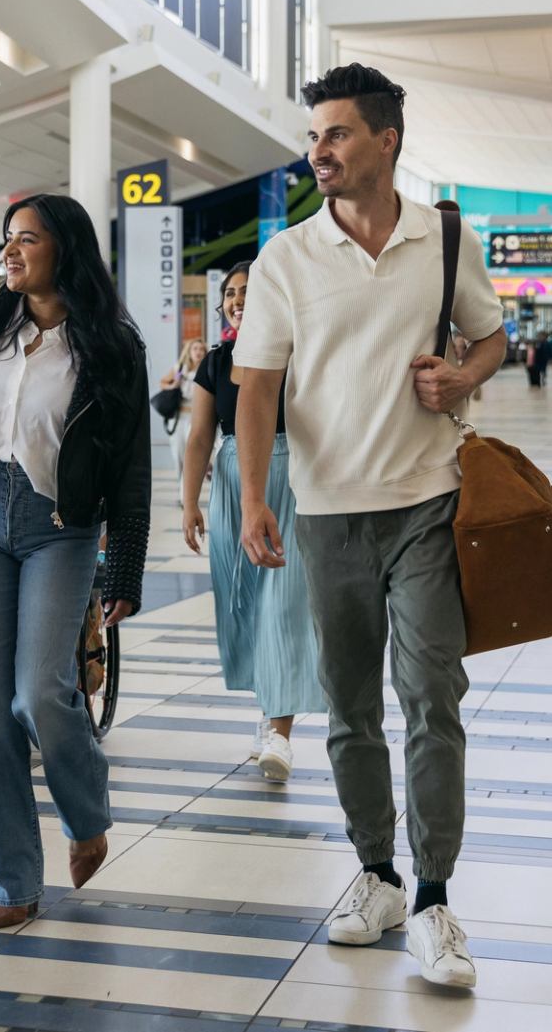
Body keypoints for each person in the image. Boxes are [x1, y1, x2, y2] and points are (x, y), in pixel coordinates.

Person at [233, 63, 504, 989]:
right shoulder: (285, 259)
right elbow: (258, 386)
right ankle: (376, 874)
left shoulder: (446, 235)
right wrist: (255, 500)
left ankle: (433, 897)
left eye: (338, 134)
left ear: (387, 140)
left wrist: (466, 377)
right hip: (328, 513)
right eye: (315, 137)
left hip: (429, 502)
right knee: (350, 709)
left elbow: (492, 334)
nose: (320, 151)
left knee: (433, 695)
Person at [0, 194, 151, 929]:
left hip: (62, 525)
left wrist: (123, 567)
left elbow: (131, 469)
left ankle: (86, 812)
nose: (11, 252)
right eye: (7, 240)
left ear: (66, 248)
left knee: (40, 690)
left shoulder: (111, 345)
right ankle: (14, 880)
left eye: (27, 239)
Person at [180, 264, 324, 782]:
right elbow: (199, 436)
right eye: (231, 294)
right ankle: (268, 712)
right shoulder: (216, 363)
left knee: (284, 603)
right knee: (243, 602)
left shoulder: (298, 353)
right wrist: (189, 501)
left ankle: (279, 731)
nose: (238, 299)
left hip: (293, 479)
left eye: (249, 291)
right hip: (232, 483)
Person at [159, 339, 206, 482]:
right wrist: (174, 385)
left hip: (197, 417)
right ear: (189, 352)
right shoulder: (180, 368)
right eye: (195, 349)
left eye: (201, 349)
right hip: (179, 417)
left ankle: (187, 491)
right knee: (178, 453)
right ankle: (182, 486)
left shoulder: (207, 369)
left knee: (192, 454)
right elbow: (163, 383)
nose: (198, 352)